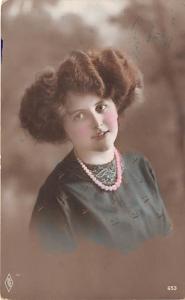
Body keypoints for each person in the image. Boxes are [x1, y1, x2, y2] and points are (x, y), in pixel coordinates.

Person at [19, 48, 173, 254]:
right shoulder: (57, 195)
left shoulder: (140, 167)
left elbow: (167, 247)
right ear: (62, 126)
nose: (97, 122)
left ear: (116, 106)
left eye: (101, 107)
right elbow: (52, 276)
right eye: (79, 116)